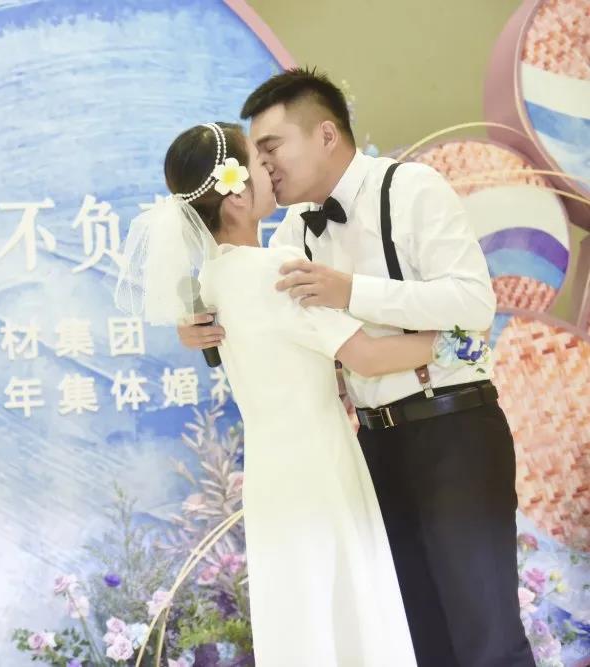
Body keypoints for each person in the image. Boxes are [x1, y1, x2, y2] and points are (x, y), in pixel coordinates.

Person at [178, 69, 535, 667]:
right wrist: (196, 324)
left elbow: (474, 303)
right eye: (257, 156)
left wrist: (353, 290)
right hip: (370, 447)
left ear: (325, 134)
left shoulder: (412, 187)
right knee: (416, 635)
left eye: (271, 148)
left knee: (486, 633)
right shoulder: (293, 230)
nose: (264, 167)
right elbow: (247, 292)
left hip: (452, 429)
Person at [116, 121, 430, 666]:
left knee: (303, 614)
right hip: (318, 463)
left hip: (272, 473)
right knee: (345, 607)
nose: (273, 169)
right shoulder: (274, 272)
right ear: (237, 196)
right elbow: (368, 356)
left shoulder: (212, 281)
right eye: (261, 164)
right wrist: (454, 339)